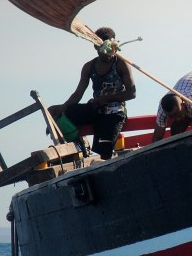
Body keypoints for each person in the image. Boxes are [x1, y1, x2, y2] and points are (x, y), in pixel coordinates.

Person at [49, 27, 135, 159]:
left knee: (104, 153)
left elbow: (131, 93)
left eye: (110, 49)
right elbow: (78, 94)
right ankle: (79, 144)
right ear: (95, 46)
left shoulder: (121, 64)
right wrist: (64, 107)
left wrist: (107, 99)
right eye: (102, 48)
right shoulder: (89, 67)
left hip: (114, 113)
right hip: (95, 109)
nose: (106, 53)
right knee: (60, 115)